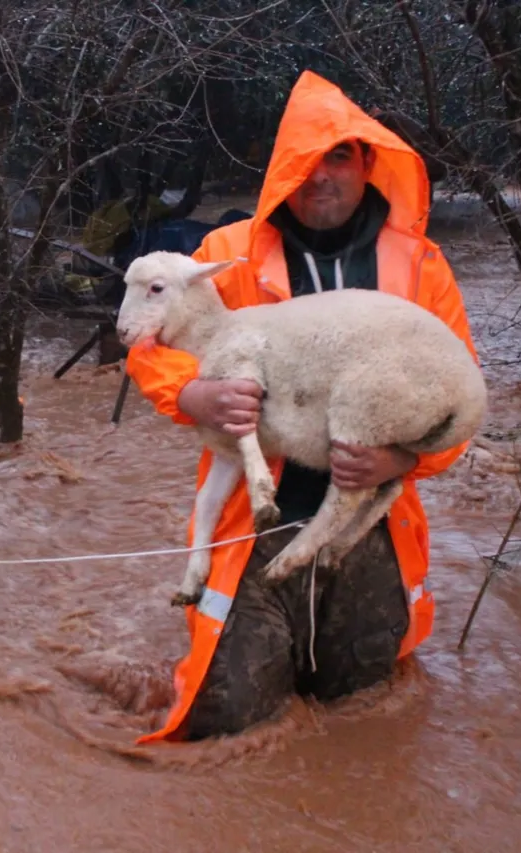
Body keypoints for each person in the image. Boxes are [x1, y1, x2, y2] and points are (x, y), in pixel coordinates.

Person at [125, 70, 480, 743]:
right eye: (307, 161)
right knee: (226, 720)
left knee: (361, 710)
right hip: (249, 525)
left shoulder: (419, 266)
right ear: (285, 169)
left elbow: (461, 399)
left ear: (366, 163)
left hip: (367, 527)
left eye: (338, 157)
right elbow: (147, 341)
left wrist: (401, 456)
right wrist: (195, 392)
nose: (322, 177)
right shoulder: (225, 257)